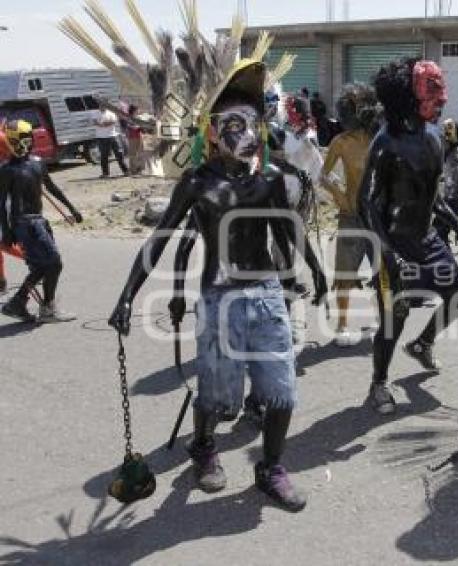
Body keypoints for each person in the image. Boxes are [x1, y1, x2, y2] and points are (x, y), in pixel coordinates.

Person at [108, 60, 321, 511]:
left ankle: (271, 467)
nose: (243, 133)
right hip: (219, 298)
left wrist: (316, 270)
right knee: (218, 398)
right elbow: (161, 238)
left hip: (266, 295)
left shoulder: (268, 180)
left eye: (250, 123)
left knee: (281, 391)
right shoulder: (197, 183)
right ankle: (203, 447)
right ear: (213, 131)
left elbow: (289, 232)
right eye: (233, 124)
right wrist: (128, 294)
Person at [359, 58, 458, 415]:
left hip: (428, 240)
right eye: (432, 91)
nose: (440, 100)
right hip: (393, 241)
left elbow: (431, 194)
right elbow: (366, 203)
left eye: (441, 92)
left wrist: (453, 222)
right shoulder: (385, 142)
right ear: (407, 96)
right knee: (396, 315)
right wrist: (387, 252)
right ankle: (379, 382)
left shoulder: (436, 138)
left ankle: (422, 344)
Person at [0, 120, 82, 323]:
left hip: (39, 222)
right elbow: (1, 204)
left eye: (27, 138)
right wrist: (7, 231)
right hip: (24, 224)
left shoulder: (38, 163)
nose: (24, 143)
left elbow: (53, 188)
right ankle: (46, 309)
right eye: (19, 140)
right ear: (10, 142)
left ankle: (18, 303)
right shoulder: (6, 170)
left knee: (42, 267)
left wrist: (72, 208)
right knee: (54, 263)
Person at [320, 83, 379, 347]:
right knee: (344, 273)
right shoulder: (340, 143)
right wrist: (338, 193)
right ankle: (342, 324)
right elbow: (323, 175)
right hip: (350, 216)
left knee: (383, 271)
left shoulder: (380, 139)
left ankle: (380, 320)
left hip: (378, 219)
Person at [435, 118, 458, 244]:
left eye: (447, 134)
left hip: (452, 201)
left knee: (437, 234)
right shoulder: (452, 153)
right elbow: (450, 175)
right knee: (439, 234)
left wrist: (452, 203)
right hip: (449, 200)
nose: (443, 138)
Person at [93, 102, 129, 178]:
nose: (103, 106)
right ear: (99, 105)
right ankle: (105, 173)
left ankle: (126, 171)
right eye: (102, 105)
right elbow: (95, 122)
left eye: (105, 105)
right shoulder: (95, 113)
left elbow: (113, 122)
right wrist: (104, 124)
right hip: (101, 137)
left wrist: (103, 124)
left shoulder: (111, 113)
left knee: (119, 154)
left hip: (112, 136)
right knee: (104, 156)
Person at [125, 105, 144, 175]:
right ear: (134, 110)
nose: (138, 111)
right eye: (137, 110)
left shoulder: (139, 117)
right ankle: (132, 169)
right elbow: (130, 126)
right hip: (132, 137)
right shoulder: (129, 118)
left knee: (140, 152)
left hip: (140, 136)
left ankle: (139, 169)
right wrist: (138, 126)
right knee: (132, 153)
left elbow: (142, 126)